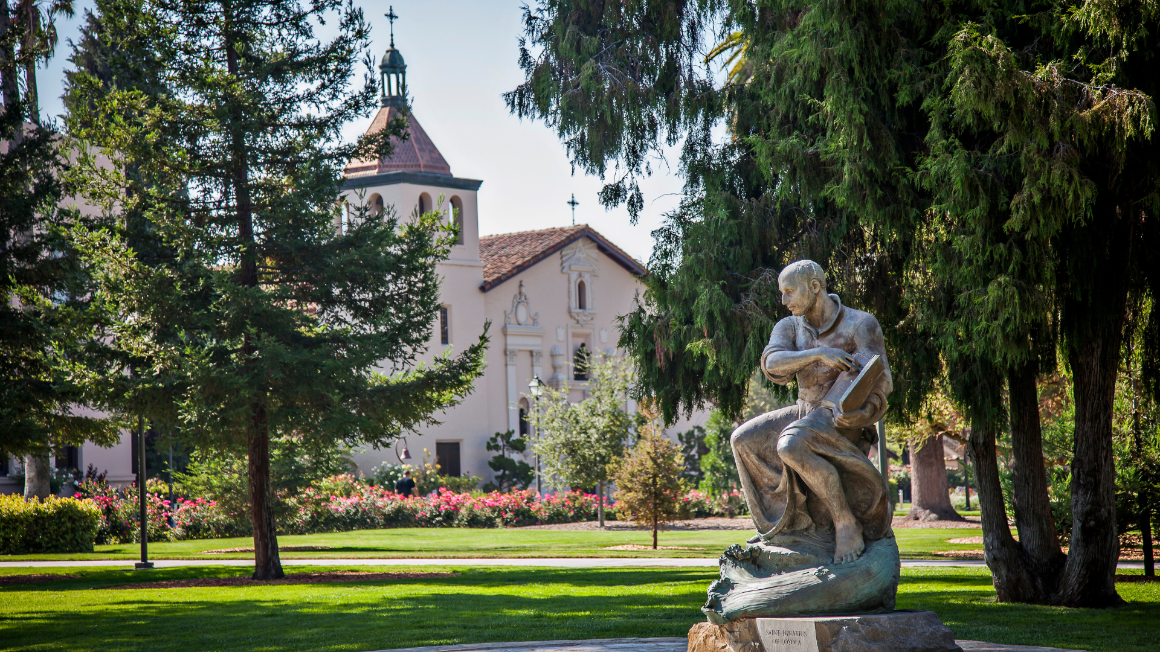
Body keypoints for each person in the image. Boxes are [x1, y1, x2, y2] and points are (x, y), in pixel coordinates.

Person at [731, 260, 893, 564]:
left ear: (815, 287)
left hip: (840, 417)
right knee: (742, 440)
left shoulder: (860, 324)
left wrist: (862, 415)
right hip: (805, 412)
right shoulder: (790, 326)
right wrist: (819, 353)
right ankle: (782, 527)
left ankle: (846, 522)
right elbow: (772, 362)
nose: (784, 300)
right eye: (782, 293)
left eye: (790, 292)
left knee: (790, 444)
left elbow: (878, 381)